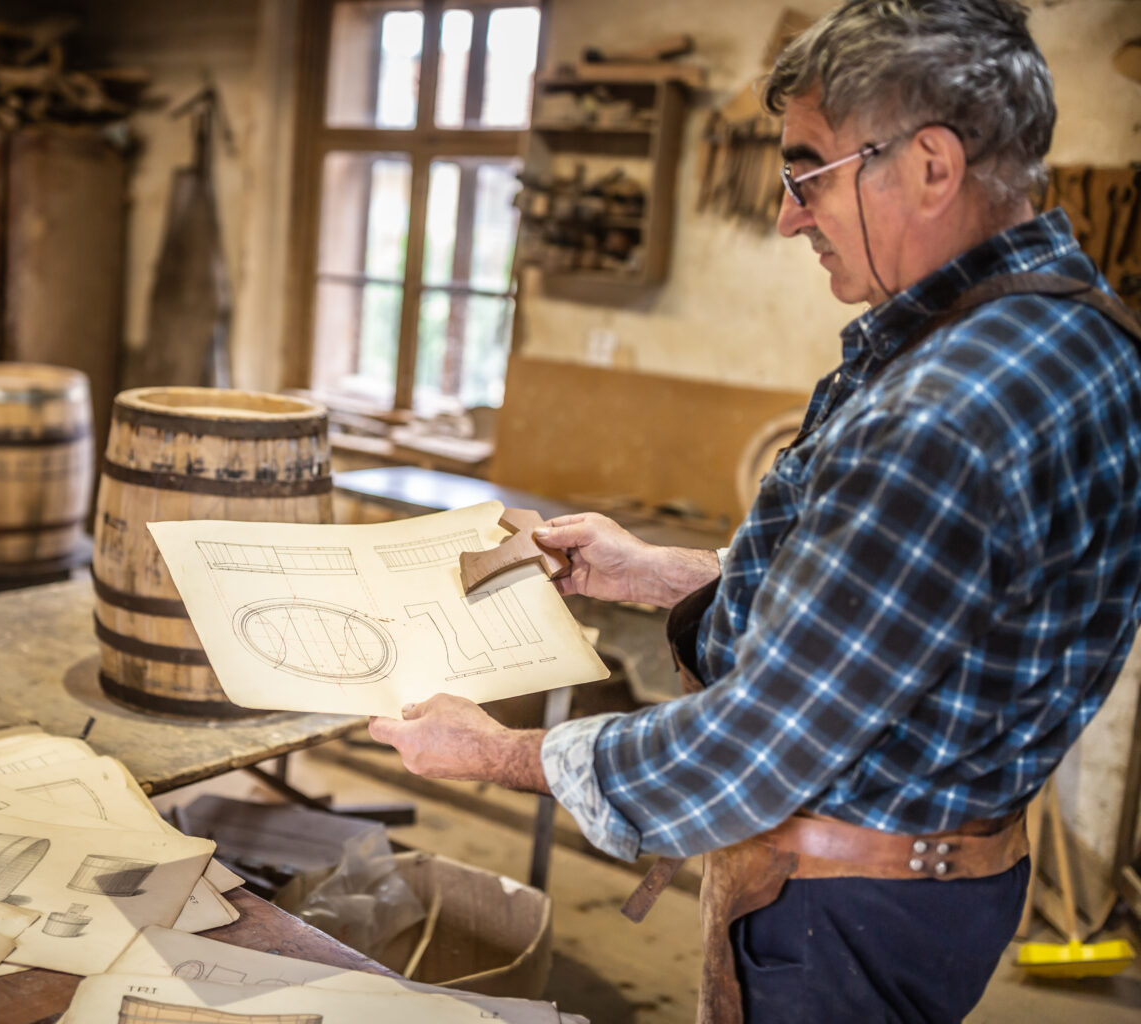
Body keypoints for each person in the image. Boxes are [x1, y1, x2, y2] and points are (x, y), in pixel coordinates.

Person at [368, 2, 1141, 1022]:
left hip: (839, 914)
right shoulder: (1078, 333)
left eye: (809, 172)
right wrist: (652, 571)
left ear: (931, 167)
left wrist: (494, 751)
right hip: (945, 879)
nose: (787, 217)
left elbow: (743, 754)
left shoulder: (940, 418)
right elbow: (902, 615)